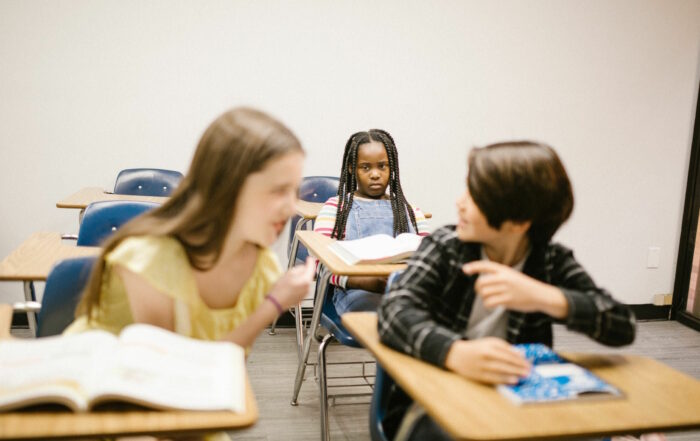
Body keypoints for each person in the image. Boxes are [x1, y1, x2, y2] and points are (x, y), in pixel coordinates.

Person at [377, 141, 637, 440]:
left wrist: (546, 296)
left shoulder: (550, 261)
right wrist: (455, 353)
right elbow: (393, 311)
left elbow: (623, 325)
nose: (460, 202)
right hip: (435, 402)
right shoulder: (447, 247)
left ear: (517, 222)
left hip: (522, 406)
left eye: (474, 196)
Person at [66, 107, 315, 353]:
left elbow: (224, 364)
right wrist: (272, 305)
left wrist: (272, 304)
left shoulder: (262, 268)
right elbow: (170, 376)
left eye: (294, 191)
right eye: (278, 190)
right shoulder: (149, 260)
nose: (292, 207)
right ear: (227, 186)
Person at [313, 129, 430, 314]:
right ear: (352, 168)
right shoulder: (336, 208)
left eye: (382, 166)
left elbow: (431, 258)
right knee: (396, 315)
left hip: (404, 291)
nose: (375, 174)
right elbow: (321, 263)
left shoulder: (411, 211)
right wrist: (363, 281)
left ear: (391, 168)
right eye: (366, 167)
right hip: (356, 292)